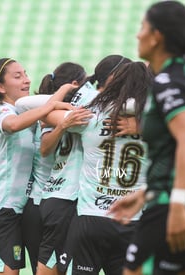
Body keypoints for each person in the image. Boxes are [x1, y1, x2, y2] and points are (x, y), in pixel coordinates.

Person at [109, 2, 185, 274]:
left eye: (142, 27)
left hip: (174, 210)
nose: (138, 35)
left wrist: (175, 204)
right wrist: (146, 192)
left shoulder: (168, 82)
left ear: (157, 35)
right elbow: (182, 148)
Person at [43, 61, 152, 275]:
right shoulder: (159, 125)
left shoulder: (93, 115)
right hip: (132, 221)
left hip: (90, 218)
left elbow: (46, 116)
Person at [0, 58, 72, 275]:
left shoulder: (27, 114)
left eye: (26, 74)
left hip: (14, 212)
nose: (27, 80)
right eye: (17, 76)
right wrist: (53, 104)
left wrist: (63, 94)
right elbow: (12, 125)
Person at [17, 62, 88, 275]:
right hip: (55, 203)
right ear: (75, 84)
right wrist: (67, 92)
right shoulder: (60, 115)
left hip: (38, 205)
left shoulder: (42, 114)